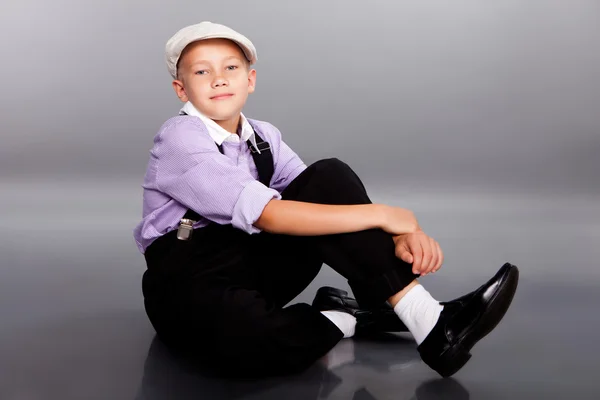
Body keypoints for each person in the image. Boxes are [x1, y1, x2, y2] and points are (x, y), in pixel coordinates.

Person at [133, 21, 519, 379]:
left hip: (249, 263)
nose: (218, 79)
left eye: (230, 68)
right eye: (202, 72)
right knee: (244, 346)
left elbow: (323, 198)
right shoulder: (179, 138)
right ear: (181, 90)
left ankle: (428, 319)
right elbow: (268, 215)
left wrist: (404, 233)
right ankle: (348, 316)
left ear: (250, 80)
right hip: (185, 281)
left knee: (328, 176)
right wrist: (390, 216)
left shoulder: (264, 136)